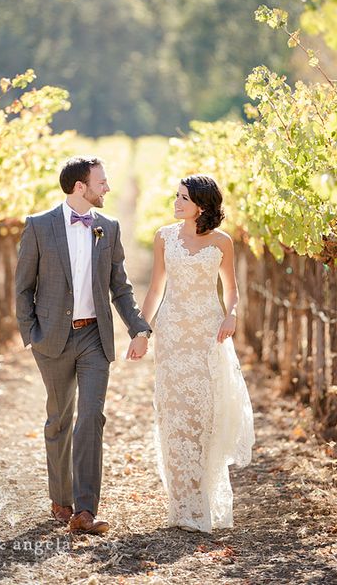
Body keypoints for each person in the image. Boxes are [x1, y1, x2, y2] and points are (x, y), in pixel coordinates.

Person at [15, 156, 151, 534]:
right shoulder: (39, 226)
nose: (107, 188)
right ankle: (61, 499)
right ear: (80, 186)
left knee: (91, 417)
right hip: (52, 338)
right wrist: (32, 334)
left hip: (94, 337)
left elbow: (120, 287)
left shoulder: (108, 227)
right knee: (59, 419)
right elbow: (23, 287)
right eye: (101, 182)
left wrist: (138, 328)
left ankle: (86, 509)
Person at [127, 174, 255, 532]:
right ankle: (181, 505)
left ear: (202, 204)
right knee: (174, 415)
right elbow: (154, 290)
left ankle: (203, 501)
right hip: (172, 336)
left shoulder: (222, 242)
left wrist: (231, 314)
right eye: (177, 196)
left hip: (207, 336)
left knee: (204, 414)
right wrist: (142, 331)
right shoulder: (164, 237)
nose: (176, 202)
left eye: (183, 198)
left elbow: (231, 290)